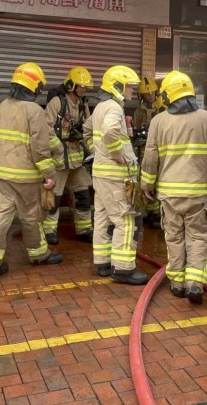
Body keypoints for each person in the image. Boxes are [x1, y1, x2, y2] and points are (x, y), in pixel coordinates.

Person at [140, 71, 207, 304]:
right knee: (198, 237)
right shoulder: (206, 118)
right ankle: (194, 283)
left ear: (167, 95)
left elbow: (150, 157)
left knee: (174, 236)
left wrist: (146, 184)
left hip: (168, 194)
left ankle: (177, 282)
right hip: (197, 192)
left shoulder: (158, 121)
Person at [0, 63, 62, 276]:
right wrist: (49, 176)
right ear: (34, 86)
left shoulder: (0, 107)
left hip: (4, 176)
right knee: (31, 217)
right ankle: (39, 255)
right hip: (27, 178)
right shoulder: (34, 110)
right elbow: (40, 148)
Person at [84, 65, 149, 285]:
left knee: (101, 218)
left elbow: (87, 130)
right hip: (116, 176)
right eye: (129, 86)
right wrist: (116, 154)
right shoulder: (113, 107)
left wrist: (98, 152)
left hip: (101, 175)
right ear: (117, 86)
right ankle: (123, 269)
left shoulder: (100, 106)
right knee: (125, 220)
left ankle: (102, 262)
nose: (131, 91)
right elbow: (111, 132)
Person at [43, 67, 95, 244]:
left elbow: (88, 129)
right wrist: (58, 148)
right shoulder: (57, 103)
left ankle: (84, 230)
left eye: (85, 87)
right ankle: (49, 231)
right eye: (80, 86)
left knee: (83, 195)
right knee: (54, 198)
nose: (83, 90)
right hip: (59, 160)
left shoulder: (83, 104)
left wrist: (92, 150)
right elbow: (46, 129)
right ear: (71, 84)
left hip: (77, 159)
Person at [133, 77, 164, 230]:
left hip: (160, 150)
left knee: (159, 180)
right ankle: (152, 212)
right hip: (144, 151)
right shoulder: (139, 111)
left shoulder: (163, 108)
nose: (151, 95)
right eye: (147, 93)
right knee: (147, 180)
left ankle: (158, 212)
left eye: (152, 92)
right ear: (142, 96)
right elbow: (136, 132)